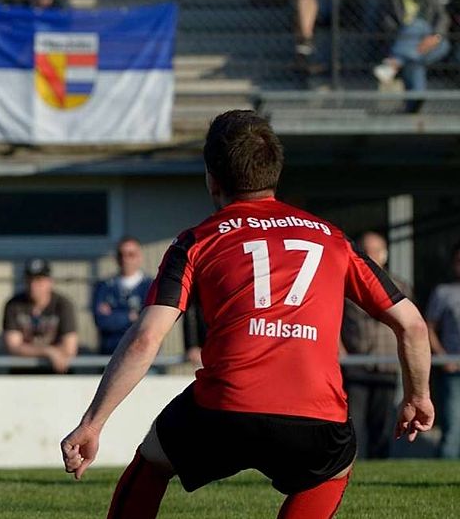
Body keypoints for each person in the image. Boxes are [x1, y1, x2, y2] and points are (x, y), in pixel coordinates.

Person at [61, 110, 434, 518]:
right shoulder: (332, 239)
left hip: (224, 408)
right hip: (315, 414)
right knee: (333, 469)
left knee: (152, 462)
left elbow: (147, 338)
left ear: (211, 178)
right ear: (275, 172)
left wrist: (93, 423)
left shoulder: (196, 241)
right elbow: (412, 325)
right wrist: (417, 396)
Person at [341, 231, 411, 459]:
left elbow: (411, 325)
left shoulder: (400, 286)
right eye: (366, 251)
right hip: (356, 365)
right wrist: (340, 351)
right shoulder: (345, 285)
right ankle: (350, 464)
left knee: (382, 425)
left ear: (385, 255)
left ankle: (379, 463)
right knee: (353, 424)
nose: (370, 256)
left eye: (375, 251)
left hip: (387, 366)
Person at [373, 0, 450, 113]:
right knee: (413, 58)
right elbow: (388, 23)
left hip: (435, 41)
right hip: (405, 41)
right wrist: (405, 36)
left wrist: (436, 37)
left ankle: (394, 63)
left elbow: (443, 17)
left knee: (419, 24)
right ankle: (415, 102)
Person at [3, 258, 78, 374]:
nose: (33, 285)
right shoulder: (14, 305)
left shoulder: (63, 305)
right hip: (22, 374)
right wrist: (49, 351)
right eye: (29, 280)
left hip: (57, 373)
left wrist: (28, 349)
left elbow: (70, 348)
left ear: (50, 282)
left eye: (39, 280)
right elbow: (14, 347)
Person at [426, 242, 460, 459]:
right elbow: (428, 327)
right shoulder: (443, 292)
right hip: (453, 370)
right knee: (453, 428)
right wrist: (443, 357)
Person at [92, 237, 153, 356]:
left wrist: (115, 314)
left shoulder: (151, 286)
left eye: (131, 254)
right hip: (110, 354)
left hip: (143, 356)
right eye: (121, 255)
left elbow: (149, 323)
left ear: (139, 257)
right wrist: (131, 316)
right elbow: (101, 321)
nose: (125, 259)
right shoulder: (104, 287)